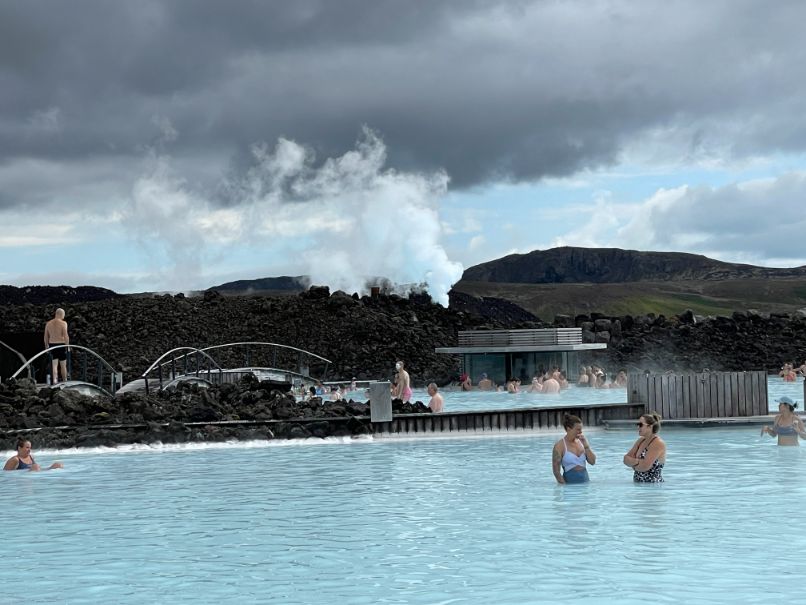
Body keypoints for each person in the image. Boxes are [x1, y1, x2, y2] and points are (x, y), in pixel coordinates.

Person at [552, 414, 596, 484]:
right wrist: (565, 487)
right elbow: (556, 472)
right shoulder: (559, 446)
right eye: (578, 429)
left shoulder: (582, 442)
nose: (581, 432)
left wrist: (586, 446)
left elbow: (593, 462)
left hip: (585, 483)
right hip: (570, 485)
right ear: (569, 429)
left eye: (581, 429)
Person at [623, 412, 666, 483]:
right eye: (638, 424)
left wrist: (633, 463)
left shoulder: (658, 443)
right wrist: (637, 462)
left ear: (650, 427)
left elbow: (644, 467)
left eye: (640, 425)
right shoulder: (641, 441)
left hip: (653, 487)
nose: (638, 427)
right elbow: (625, 459)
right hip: (639, 487)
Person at [44, 307, 70, 384]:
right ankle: (65, 381)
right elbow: (66, 335)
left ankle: (55, 382)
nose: (64, 317)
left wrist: (46, 347)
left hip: (52, 345)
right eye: (64, 315)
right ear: (61, 314)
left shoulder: (48, 324)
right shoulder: (63, 323)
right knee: (63, 365)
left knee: (54, 365)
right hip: (61, 345)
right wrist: (67, 346)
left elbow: (46, 337)